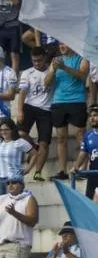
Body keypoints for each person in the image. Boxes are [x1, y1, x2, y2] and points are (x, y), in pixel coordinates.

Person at [50, 45, 90, 180]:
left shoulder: (82, 59)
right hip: (59, 101)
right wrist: (52, 71)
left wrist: (64, 68)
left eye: (64, 43)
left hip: (77, 100)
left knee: (81, 136)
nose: (61, 46)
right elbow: (46, 83)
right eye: (60, 44)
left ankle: (82, 169)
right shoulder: (56, 60)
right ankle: (62, 170)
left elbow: (83, 76)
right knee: (61, 138)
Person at [17, 47, 55, 181]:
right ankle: (34, 147)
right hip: (30, 106)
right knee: (20, 133)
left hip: (46, 109)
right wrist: (20, 110)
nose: (37, 63)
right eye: (34, 61)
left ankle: (38, 172)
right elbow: (22, 92)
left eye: (39, 60)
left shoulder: (52, 71)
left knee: (44, 143)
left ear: (45, 58)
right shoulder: (27, 72)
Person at [72, 104, 98, 199]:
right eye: (91, 116)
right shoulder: (88, 135)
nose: (92, 118)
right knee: (91, 205)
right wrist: (76, 167)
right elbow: (83, 153)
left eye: (95, 115)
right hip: (93, 177)